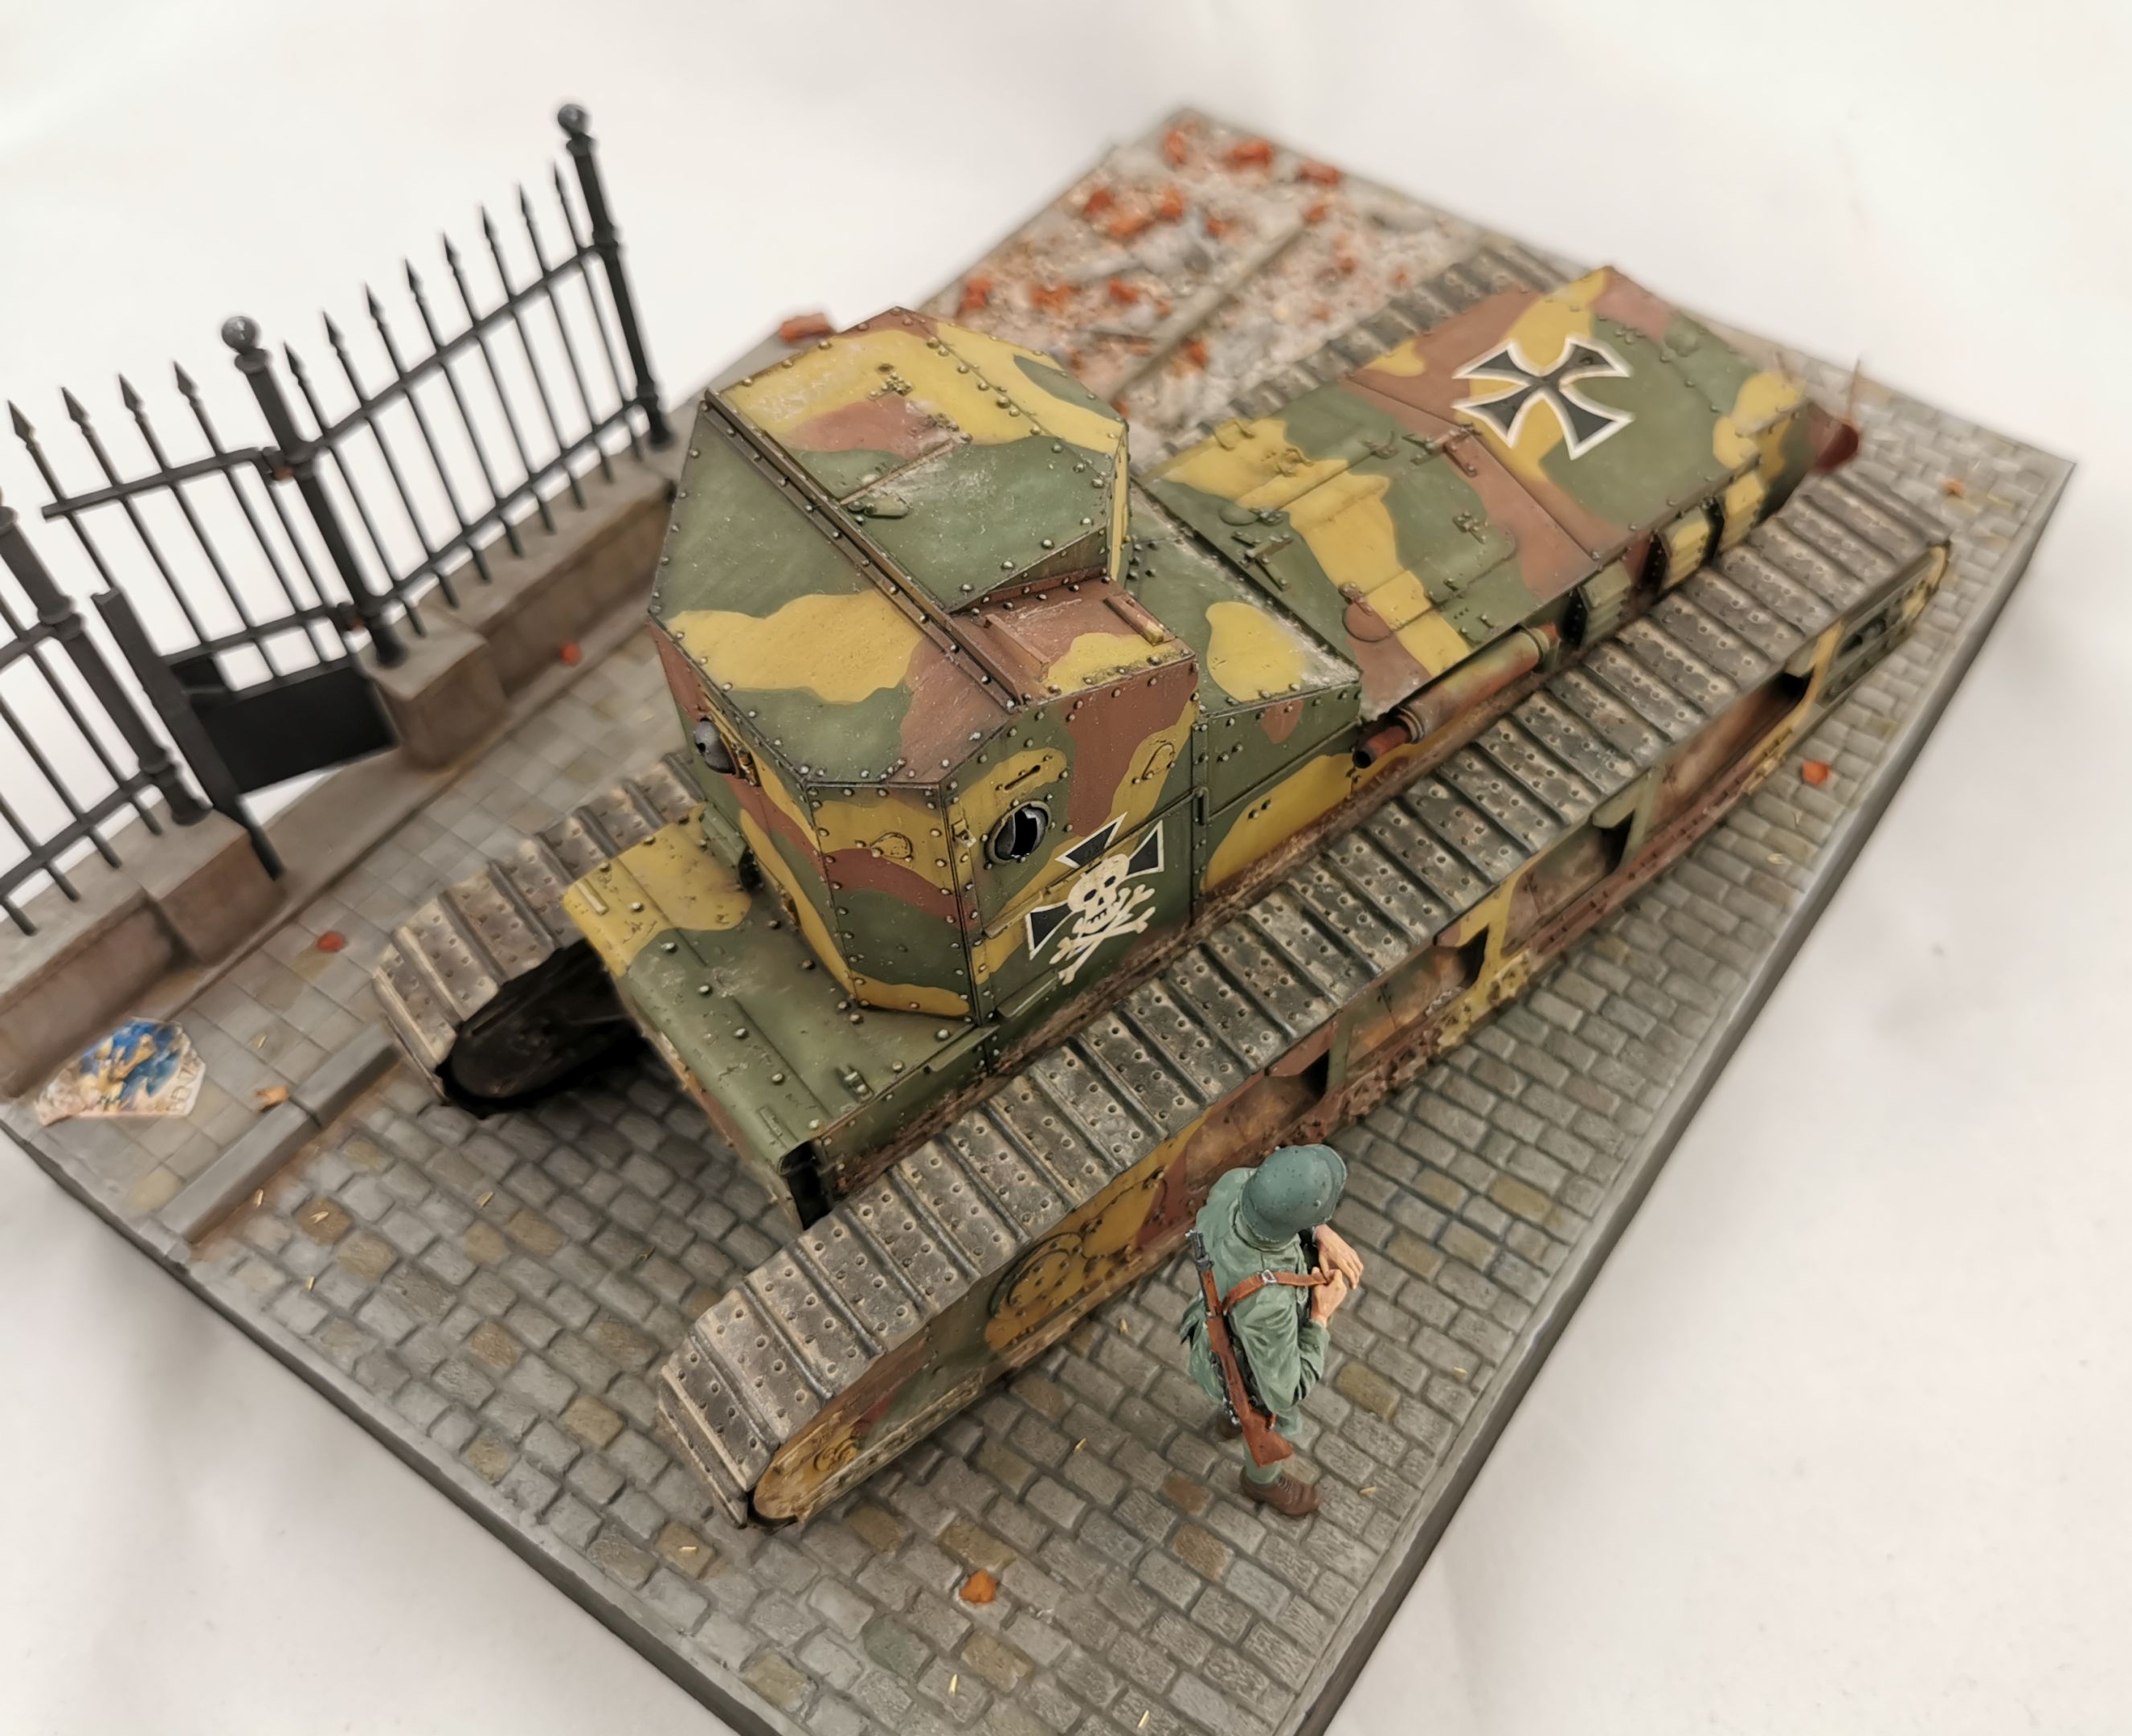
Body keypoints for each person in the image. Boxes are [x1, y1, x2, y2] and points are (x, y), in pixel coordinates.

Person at [1177, 1143, 1366, 1517]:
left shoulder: (1233, 1184)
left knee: (1233, 1394)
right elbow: (1285, 1390)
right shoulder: (1269, 1305)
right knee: (1268, 1421)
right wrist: (1321, 1315)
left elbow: (1268, 1205)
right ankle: (1261, 1481)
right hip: (1251, 1367)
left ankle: (1230, 1417)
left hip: (1212, 1332)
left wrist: (1318, 1230)